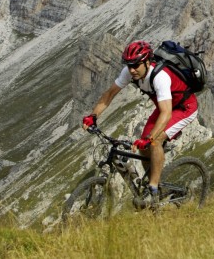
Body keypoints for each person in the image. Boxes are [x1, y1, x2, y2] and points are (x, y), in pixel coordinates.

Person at [82, 40, 199, 206]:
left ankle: (153, 189)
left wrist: (150, 138)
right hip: (165, 106)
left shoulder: (160, 77)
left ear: (146, 61)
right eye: (129, 65)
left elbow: (166, 114)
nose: (132, 70)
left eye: (136, 65)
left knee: (154, 141)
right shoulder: (129, 72)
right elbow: (109, 94)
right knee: (144, 147)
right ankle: (154, 180)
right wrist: (93, 116)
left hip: (184, 108)